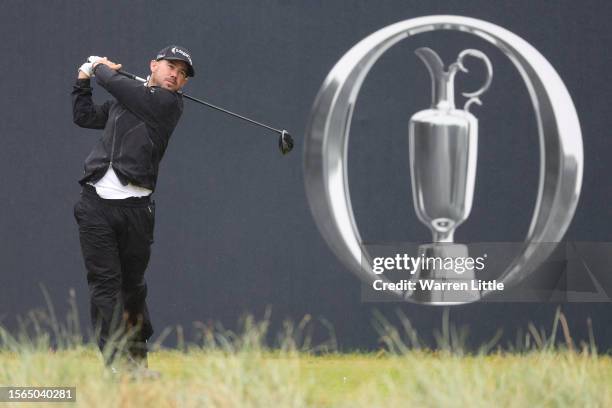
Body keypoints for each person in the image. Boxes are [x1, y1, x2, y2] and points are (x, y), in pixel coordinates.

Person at [71, 46, 194, 373]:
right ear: (153, 65)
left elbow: (116, 83)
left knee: (133, 288)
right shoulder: (128, 102)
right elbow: (83, 115)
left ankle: (137, 360)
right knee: (105, 285)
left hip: (137, 212)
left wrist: (96, 64)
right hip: (95, 205)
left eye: (182, 74)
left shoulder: (169, 105)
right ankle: (116, 364)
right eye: (171, 67)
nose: (176, 75)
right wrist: (83, 79)